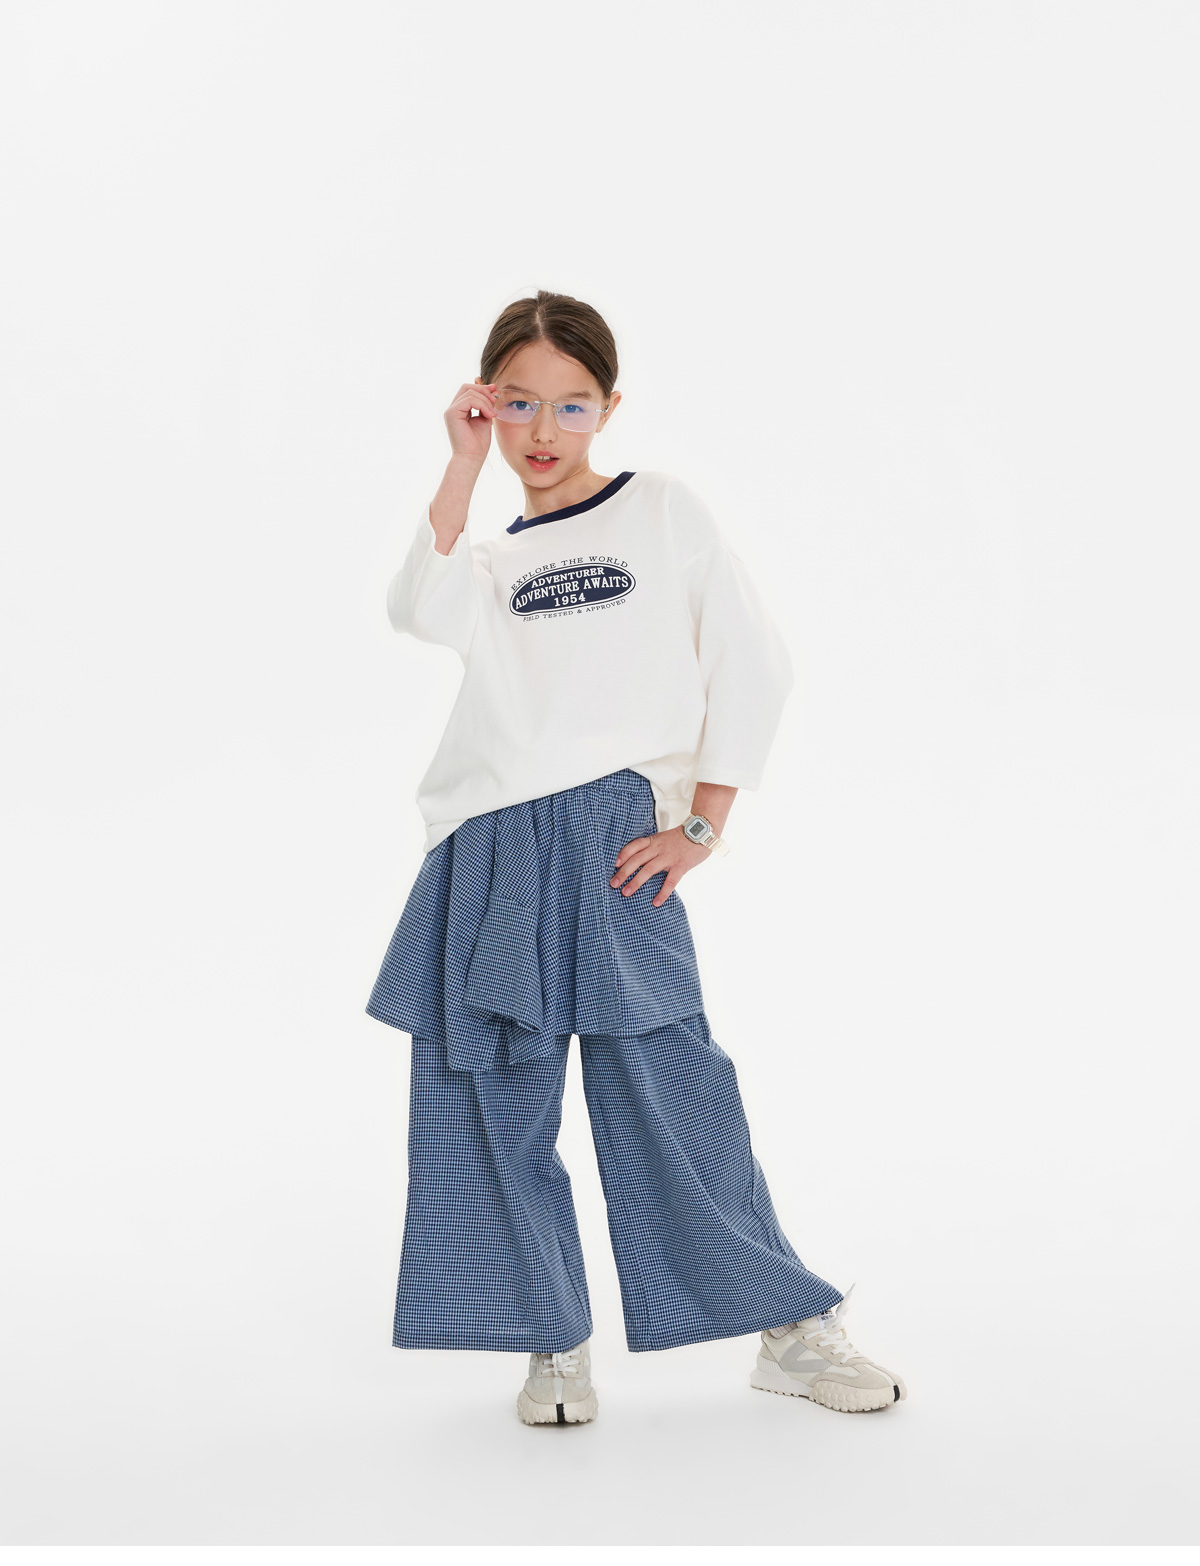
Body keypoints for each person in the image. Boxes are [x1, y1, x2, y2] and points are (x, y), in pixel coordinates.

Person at [365, 288, 907, 1423]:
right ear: (488, 405)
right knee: (494, 1099)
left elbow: (752, 662)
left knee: (674, 1087)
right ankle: (552, 1340)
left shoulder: (662, 511)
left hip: (618, 839)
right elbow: (416, 607)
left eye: (571, 404)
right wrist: (460, 463)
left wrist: (701, 825)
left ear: (609, 407)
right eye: (518, 404)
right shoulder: (489, 561)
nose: (543, 430)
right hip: (490, 844)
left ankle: (790, 1329)